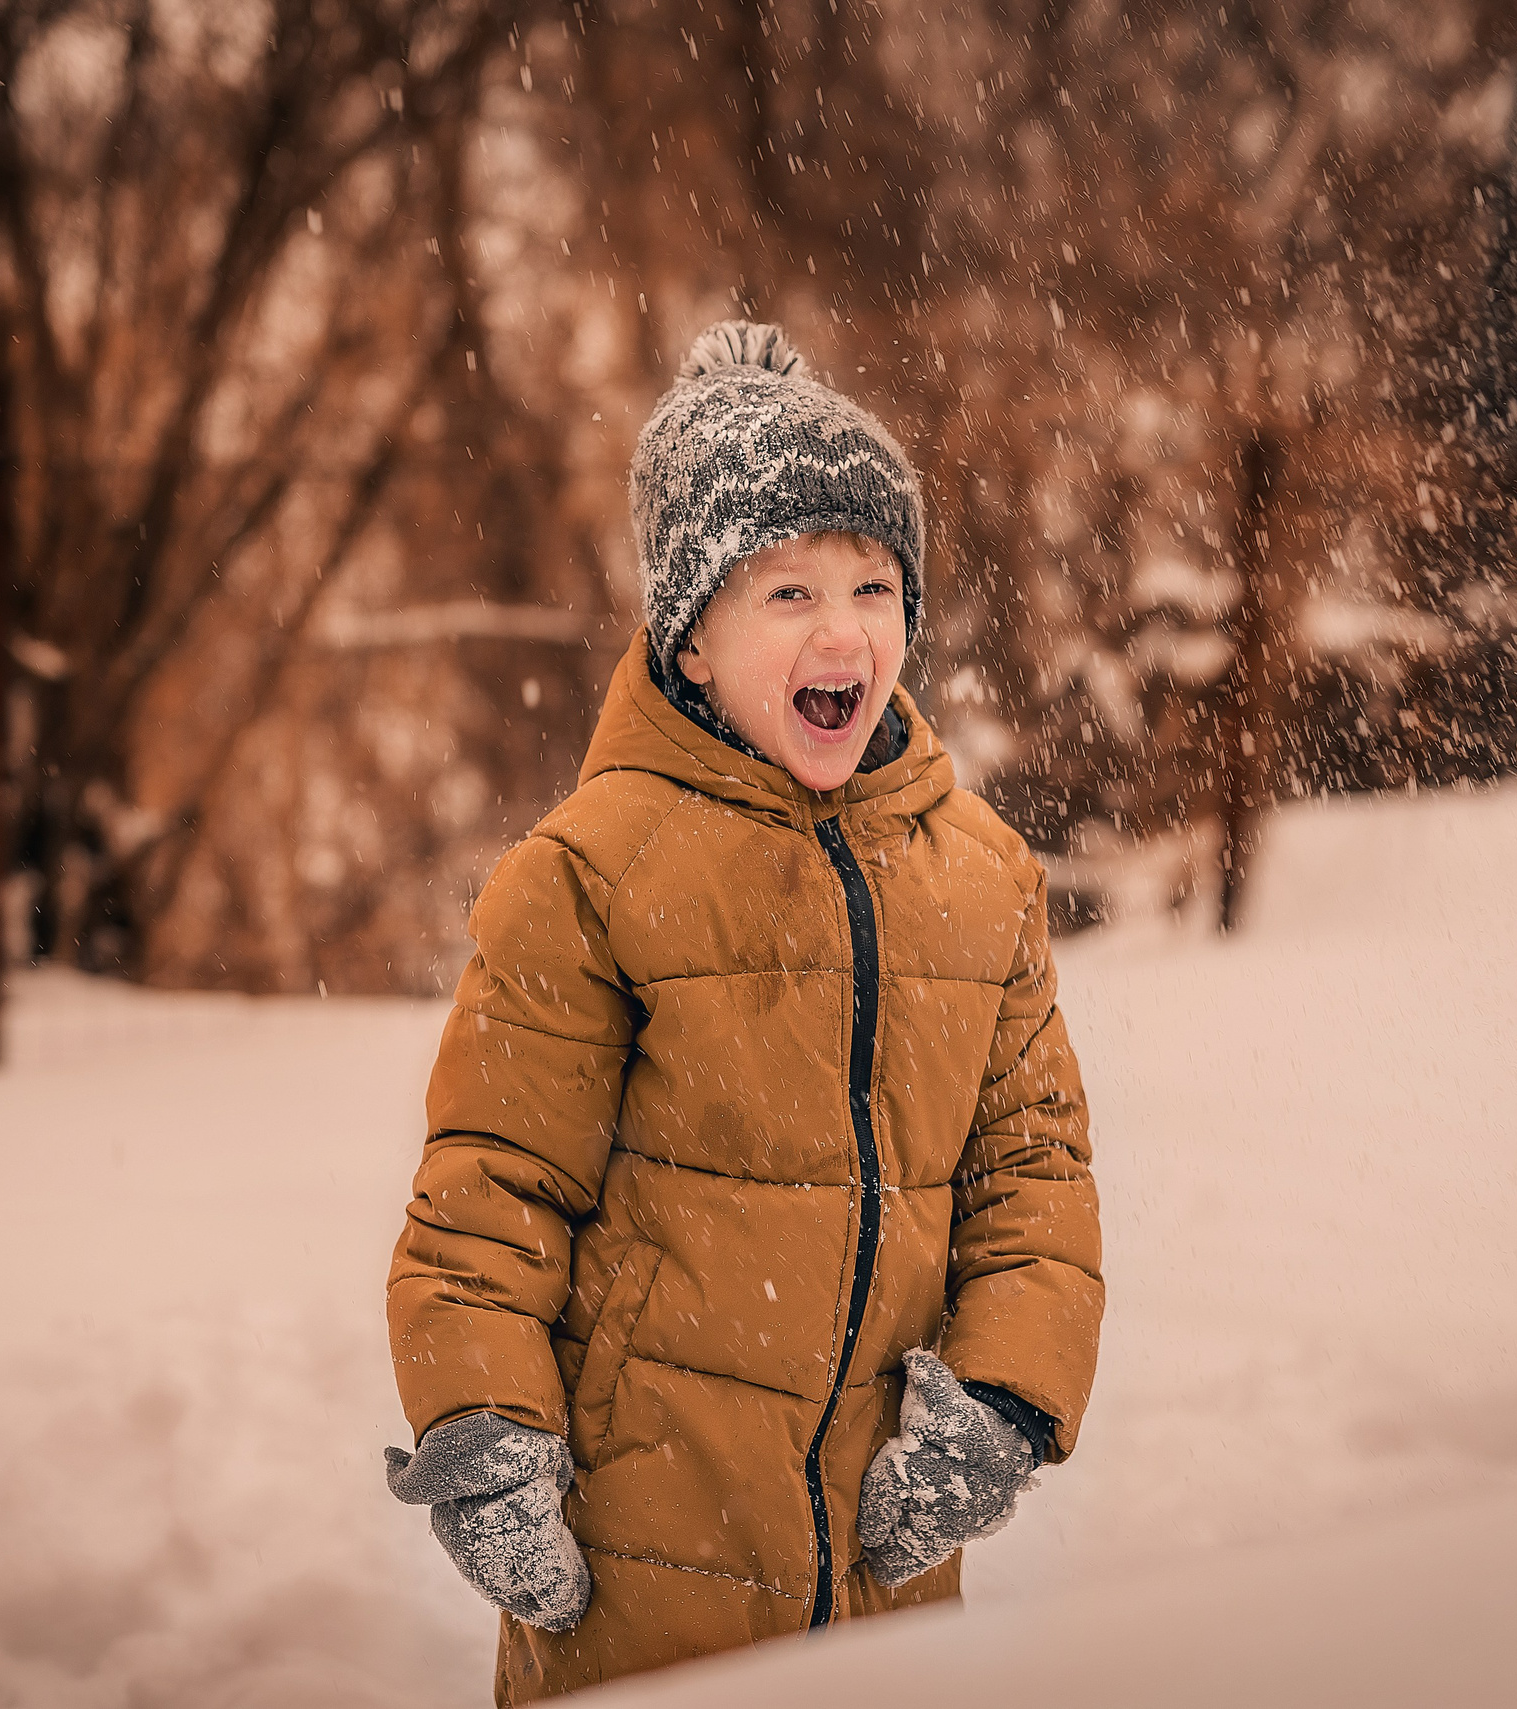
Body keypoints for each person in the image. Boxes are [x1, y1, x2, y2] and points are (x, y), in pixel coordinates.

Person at [384, 320, 1104, 1704]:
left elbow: (1035, 1177)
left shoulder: (983, 879)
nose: (843, 629)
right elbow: (491, 1192)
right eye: (786, 593)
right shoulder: (587, 877)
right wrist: (485, 1429)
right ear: (693, 641)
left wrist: (1003, 1400)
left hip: (888, 1562)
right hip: (643, 1556)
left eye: (875, 584)